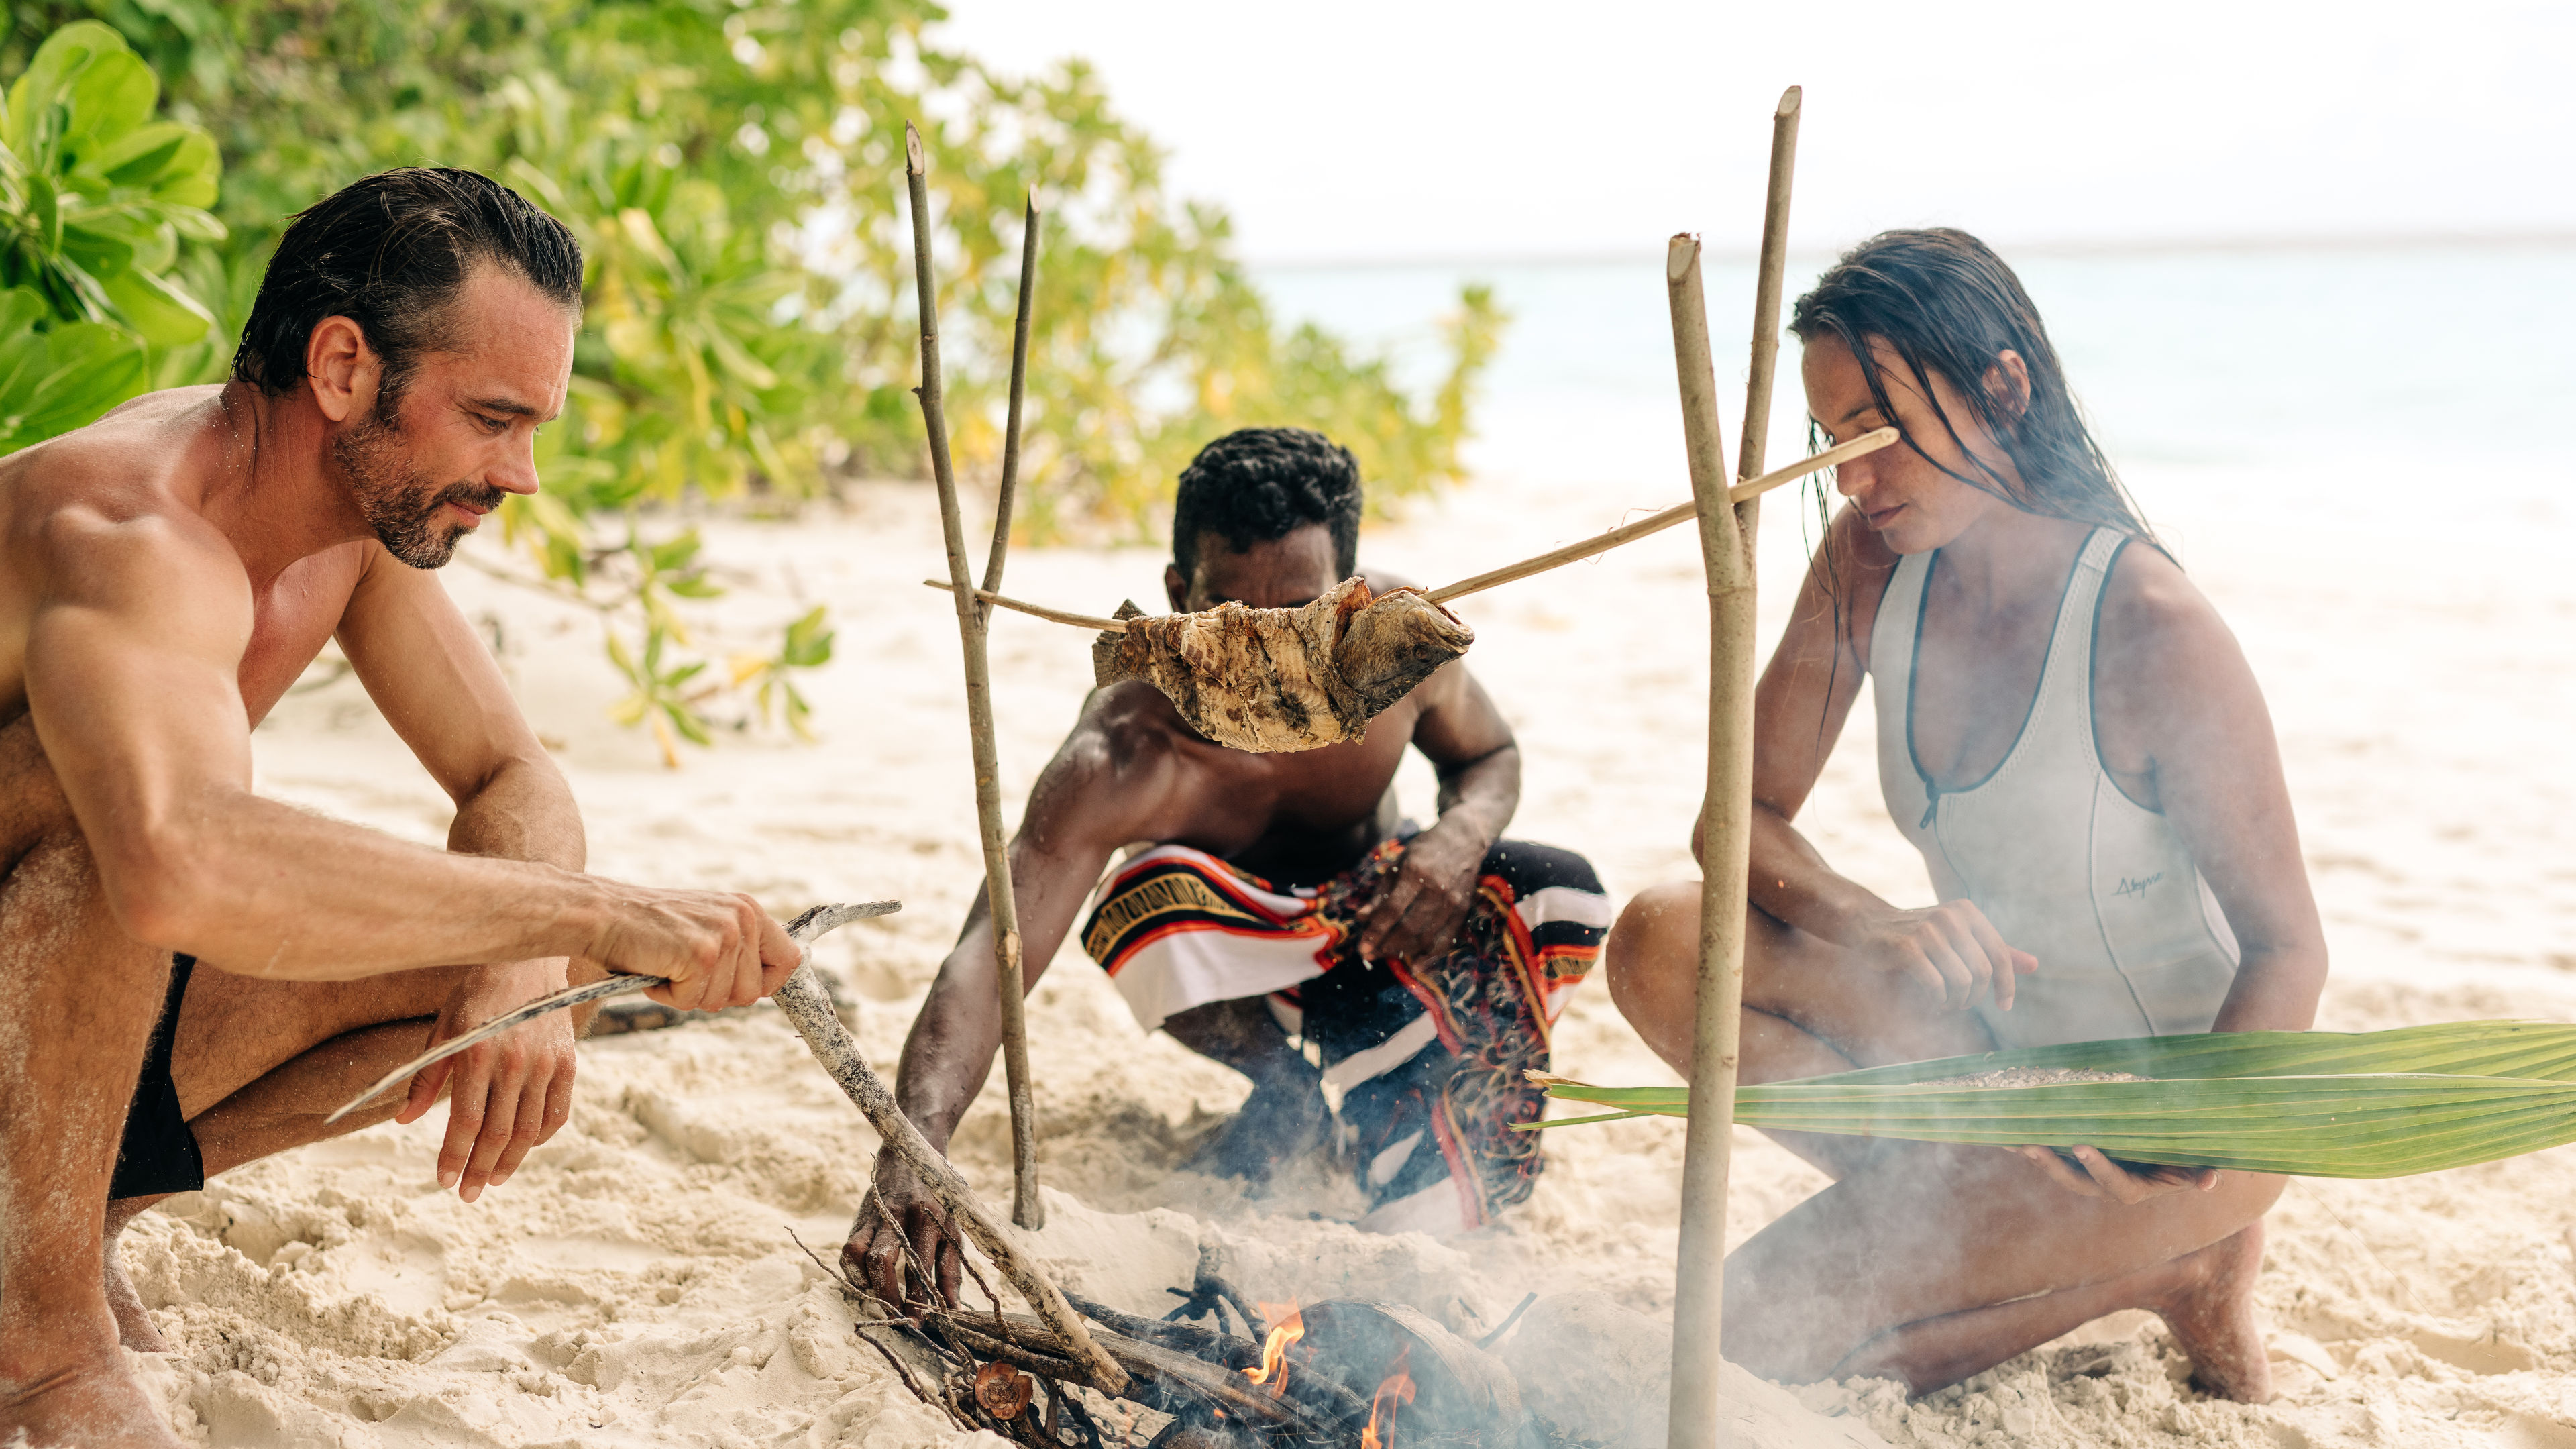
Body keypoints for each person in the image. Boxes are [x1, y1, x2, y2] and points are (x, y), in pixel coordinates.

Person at [0, 168, 802, 1449]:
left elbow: (511, 778)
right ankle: (36, 1350)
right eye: (492, 419)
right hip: (56, 926)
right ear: (341, 369)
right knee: (121, 804)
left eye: (532, 426)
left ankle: (61, 1216)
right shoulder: (128, 528)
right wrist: (594, 908)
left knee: (546, 973)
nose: (522, 474)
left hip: (42, 1026)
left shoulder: (352, 525)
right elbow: (174, 860)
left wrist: (532, 953)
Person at [1603, 229, 2326, 1401]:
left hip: (2144, 1130)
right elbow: (1738, 817)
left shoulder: (2150, 624)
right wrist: (1870, 920)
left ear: (2002, 388)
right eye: (1832, 442)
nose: (1851, 478)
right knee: (1663, 939)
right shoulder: (1867, 565)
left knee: (1740, 1340)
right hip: (1982, 1070)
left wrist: (2188, 1139)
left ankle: (2178, 1256)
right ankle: (1973, 1235)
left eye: (1875, 433)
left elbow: (2291, 945)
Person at [847, 427, 1610, 1303]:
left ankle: (1411, 1089)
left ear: (1350, 596)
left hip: (1389, 920)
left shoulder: (1398, 649)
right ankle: (1283, 1092)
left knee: (1557, 885)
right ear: (1179, 593)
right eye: (1227, 614)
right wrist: (915, 1152)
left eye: (1297, 614)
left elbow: (1491, 756)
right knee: (1144, 899)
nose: (1261, 649)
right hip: (1230, 954)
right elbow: (991, 952)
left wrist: (1458, 836)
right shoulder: (1126, 746)